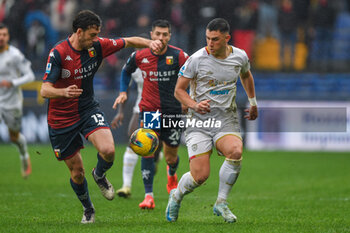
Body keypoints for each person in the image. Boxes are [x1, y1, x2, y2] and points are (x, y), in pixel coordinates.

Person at [40, 10, 162, 224]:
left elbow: (128, 41)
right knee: (77, 173)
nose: (96, 39)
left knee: (108, 150)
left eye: (98, 34)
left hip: (87, 108)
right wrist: (63, 92)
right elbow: (44, 90)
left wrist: (150, 43)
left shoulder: (97, 46)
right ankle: (88, 209)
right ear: (79, 32)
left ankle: (99, 174)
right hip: (61, 118)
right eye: (92, 35)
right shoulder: (58, 53)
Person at [166, 18, 258, 223]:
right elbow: (178, 91)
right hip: (199, 121)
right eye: (207, 38)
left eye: (215, 39)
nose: (210, 43)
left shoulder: (240, 56)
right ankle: (176, 196)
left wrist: (253, 102)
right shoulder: (196, 59)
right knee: (200, 176)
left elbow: (246, 75)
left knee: (235, 151)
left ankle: (221, 203)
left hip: (226, 117)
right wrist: (194, 105)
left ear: (227, 38)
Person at [113, 19, 188, 209]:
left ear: (169, 36)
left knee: (171, 156)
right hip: (150, 110)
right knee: (147, 151)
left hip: (173, 111)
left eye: (165, 34)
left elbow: (193, 77)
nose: (161, 38)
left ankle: (171, 174)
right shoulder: (140, 56)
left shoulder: (179, 56)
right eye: (158, 34)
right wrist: (123, 92)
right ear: (151, 35)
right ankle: (148, 196)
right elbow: (125, 71)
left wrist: (189, 99)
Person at [111, 67, 163, 198]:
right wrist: (120, 112)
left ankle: (157, 158)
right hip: (141, 107)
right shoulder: (133, 62)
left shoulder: (159, 58)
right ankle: (126, 186)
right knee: (133, 139)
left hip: (160, 108)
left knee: (155, 147)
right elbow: (125, 88)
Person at [0, 23, 35, 179]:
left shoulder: (15, 55)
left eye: (4, 35)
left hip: (11, 102)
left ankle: (24, 155)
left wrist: (12, 83)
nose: (1, 38)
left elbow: (30, 76)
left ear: (8, 37)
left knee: (13, 137)